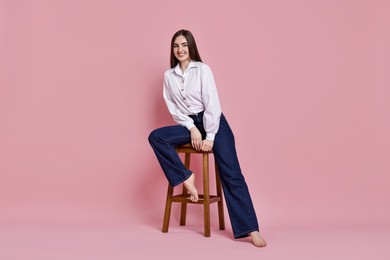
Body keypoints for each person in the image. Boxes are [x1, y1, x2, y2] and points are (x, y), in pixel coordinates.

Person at [148, 29, 266, 247]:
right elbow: (174, 108)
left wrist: (210, 135)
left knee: (232, 174)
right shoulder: (169, 76)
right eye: (176, 46)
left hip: (214, 122)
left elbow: (212, 104)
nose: (180, 49)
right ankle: (185, 177)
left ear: (191, 47)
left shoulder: (202, 70)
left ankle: (251, 228)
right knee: (157, 137)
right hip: (190, 124)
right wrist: (192, 128)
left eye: (184, 45)